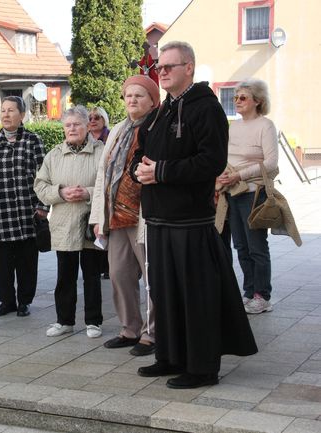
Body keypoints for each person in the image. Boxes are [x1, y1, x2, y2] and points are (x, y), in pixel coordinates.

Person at [131, 41, 257, 388]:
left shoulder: (207, 109)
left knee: (195, 297)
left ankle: (202, 368)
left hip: (191, 222)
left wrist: (162, 172)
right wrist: (138, 173)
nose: (163, 71)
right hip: (159, 221)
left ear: (190, 67)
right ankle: (170, 357)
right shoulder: (159, 113)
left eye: (171, 65)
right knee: (165, 294)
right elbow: (140, 154)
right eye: (160, 66)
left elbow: (211, 162)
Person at [90, 75, 159, 356]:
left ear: (153, 101)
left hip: (145, 217)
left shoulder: (157, 127)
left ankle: (153, 334)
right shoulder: (118, 130)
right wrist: (98, 217)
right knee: (119, 274)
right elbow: (102, 176)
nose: (132, 100)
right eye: (128, 95)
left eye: (139, 95)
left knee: (152, 278)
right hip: (115, 216)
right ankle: (130, 328)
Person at [34, 105, 105, 338]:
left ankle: (93, 321)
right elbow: (40, 185)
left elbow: (110, 184)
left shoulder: (101, 151)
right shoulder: (54, 154)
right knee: (65, 275)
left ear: (87, 126)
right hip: (64, 223)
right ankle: (64, 320)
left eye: (77, 124)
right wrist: (61, 192)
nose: (72, 128)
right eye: (68, 125)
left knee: (92, 275)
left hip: (90, 222)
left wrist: (88, 192)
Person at [0, 96, 48, 318]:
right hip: (1, 212)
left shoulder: (33, 140)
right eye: (3, 111)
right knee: (3, 263)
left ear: (22, 115)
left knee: (27, 262)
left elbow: (44, 175)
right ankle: (6, 301)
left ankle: (24, 301)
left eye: (11, 110)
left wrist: (43, 205)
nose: (6, 115)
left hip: (27, 211)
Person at [217, 79, 278, 314]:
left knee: (256, 246)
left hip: (254, 193)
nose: (237, 101)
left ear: (258, 101)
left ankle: (262, 295)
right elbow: (226, 158)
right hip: (232, 192)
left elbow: (271, 162)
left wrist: (239, 175)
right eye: (235, 97)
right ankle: (249, 291)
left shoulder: (266, 126)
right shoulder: (234, 126)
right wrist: (223, 176)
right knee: (241, 246)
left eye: (243, 97)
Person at [87, 106, 111, 280]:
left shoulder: (111, 137)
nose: (93, 120)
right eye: (90, 118)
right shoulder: (84, 139)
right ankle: (96, 265)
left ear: (104, 120)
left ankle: (108, 266)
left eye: (97, 117)